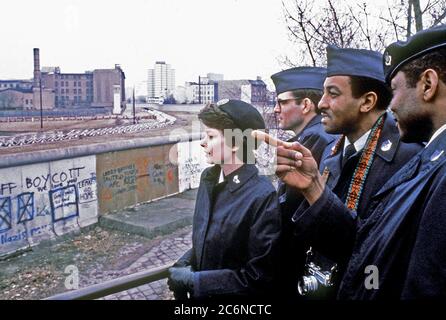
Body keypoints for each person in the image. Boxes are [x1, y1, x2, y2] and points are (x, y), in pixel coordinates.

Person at [276, 24, 446, 299]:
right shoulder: (333, 154)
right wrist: (311, 189)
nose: (321, 104)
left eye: (332, 93)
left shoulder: (412, 158)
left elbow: (388, 262)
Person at [167, 99, 281, 299]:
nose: (203, 142)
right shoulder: (209, 178)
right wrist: (186, 260)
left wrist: (195, 282)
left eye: (210, 136)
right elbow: (208, 238)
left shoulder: (262, 196)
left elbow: (258, 278)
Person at [271, 66, 336, 297]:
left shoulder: (315, 140)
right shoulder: (314, 136)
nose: (276, 109)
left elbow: (289, 210)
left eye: (282, 102)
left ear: (306, 105)